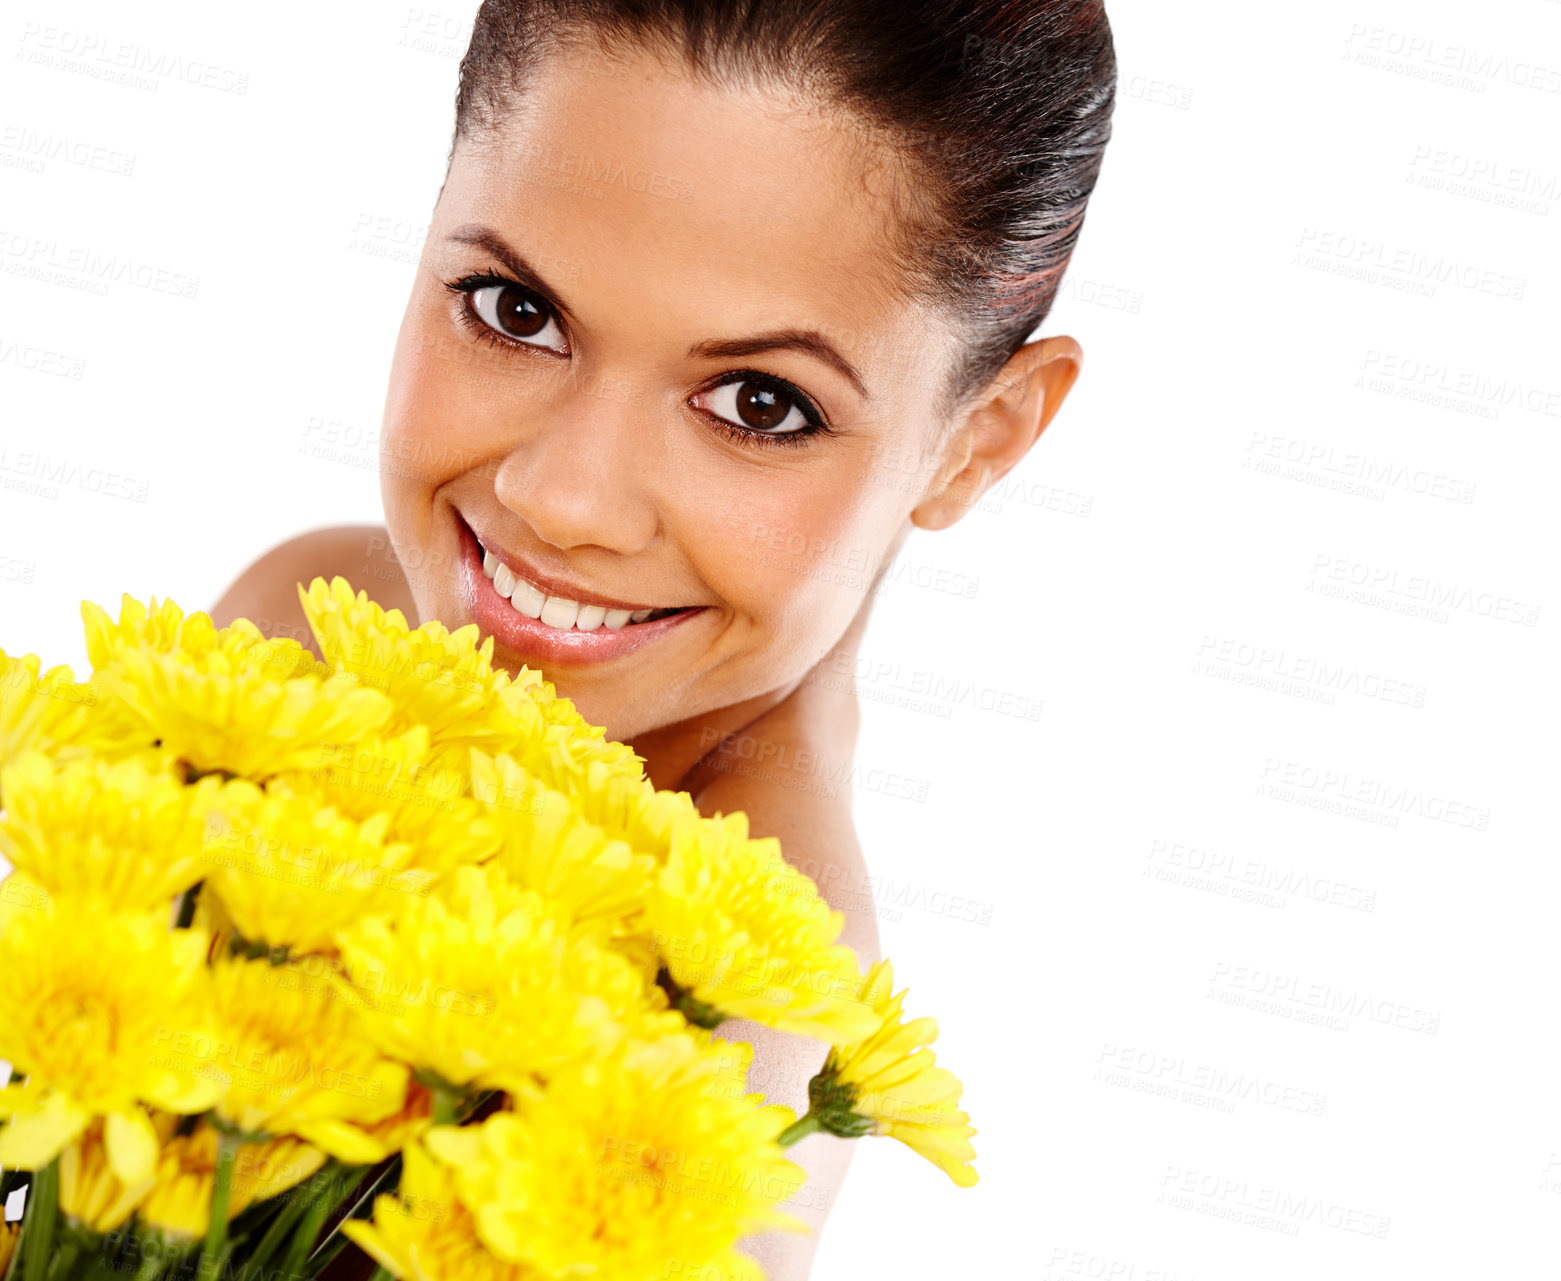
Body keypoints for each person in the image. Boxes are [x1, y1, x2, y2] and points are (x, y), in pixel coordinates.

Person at [215, 2, 1115, 1274]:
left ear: (978, 442)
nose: (561, 500)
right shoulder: (298, 621)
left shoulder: (735, 1021)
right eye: (514, 309)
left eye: (759, 403)